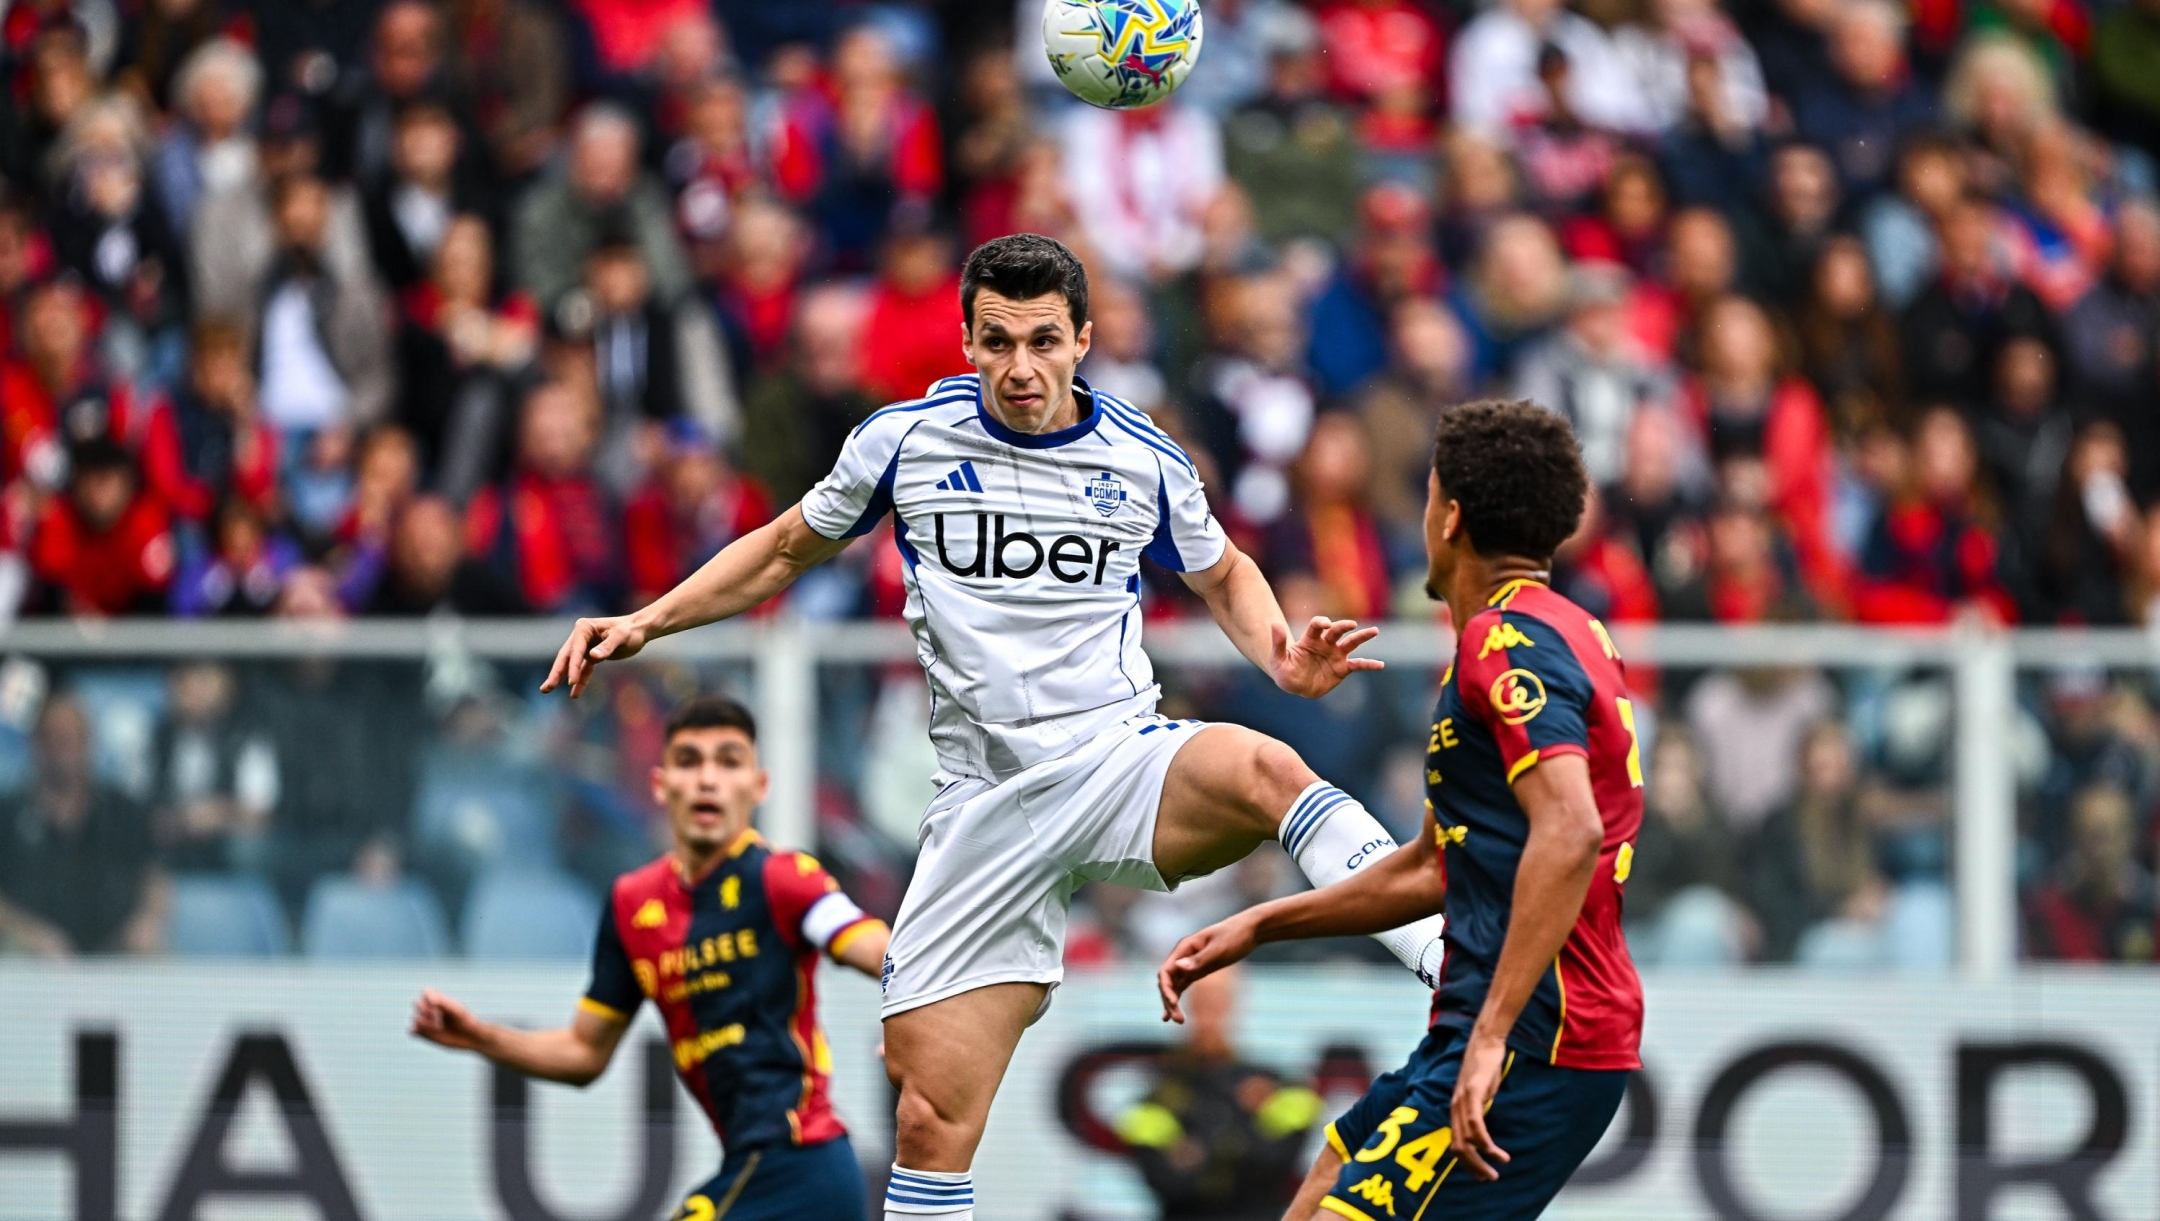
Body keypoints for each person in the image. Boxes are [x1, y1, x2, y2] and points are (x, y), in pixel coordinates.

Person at [540, 233, 1448, 1220]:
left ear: (1084, 340)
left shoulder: (1140, 457)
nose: (1021, 367)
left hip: (1114, 759)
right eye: (997, 341)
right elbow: (782, 550)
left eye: (1044, 341)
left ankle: (1450, 959)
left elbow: (1222, 567)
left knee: (1270, 769)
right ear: (966, 342)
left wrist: (1277, 653)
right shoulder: (905, 442)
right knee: (931, 1122)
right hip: (983, 809)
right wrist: (646, 619)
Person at [1157, 400, 1643, 1221]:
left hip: (1536, 1039)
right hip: (1480, 1028)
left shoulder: (1504, 645)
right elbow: (1433, 865)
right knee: (1314, 1196)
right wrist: (1260, 924)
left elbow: (1571, 829)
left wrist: (1490, 1036)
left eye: (1425, 496)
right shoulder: (1568, 630)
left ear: (1449, 516)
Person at [411, 697, 890, 1220]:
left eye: (729, 762)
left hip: (803, 1164)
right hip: (754, 1164)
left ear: (758, 788)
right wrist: (483, 1037)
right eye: (690, 761)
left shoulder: (783, 878)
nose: (708, 780)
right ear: (661, 786)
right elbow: (583, 1053)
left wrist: (911, 1007)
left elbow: (868, 944)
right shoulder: (632, 903)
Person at [1114, 966, 1320, 1220]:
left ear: (1233, 1007)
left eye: (1216, 1004)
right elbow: (1171, 1184)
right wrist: (1246, 1128)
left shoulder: (1280, 1087)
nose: (1208, 1018)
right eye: (1200, 1005)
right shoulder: (1155, 1098)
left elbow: (1274, 1167)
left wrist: (1192, 1151)